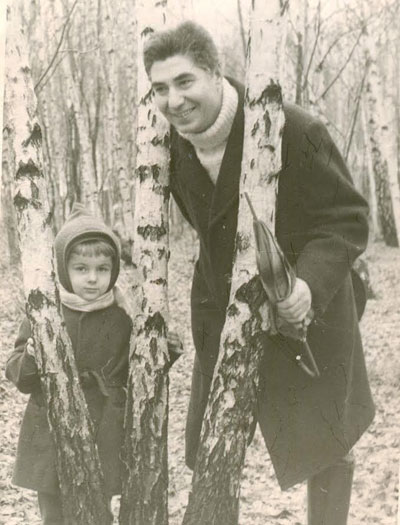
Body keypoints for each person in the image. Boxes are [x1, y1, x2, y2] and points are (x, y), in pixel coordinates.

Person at [143, 21, 375, 525]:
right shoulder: (165, 151)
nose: (173, 100)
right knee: (212, 445)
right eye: (159, 88)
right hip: (220, 308)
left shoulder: (292, 128)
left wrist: (307, 286)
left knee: (327, 444)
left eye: (185, 82)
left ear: (215, 72)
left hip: (306, 310)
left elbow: (348, 219)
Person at [6, 204, 182, 524]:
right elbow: (18, 373)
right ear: (63, 269)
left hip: (105, 427)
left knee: (97, 509)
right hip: (51, 431)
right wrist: (32, 355)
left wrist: (162, 347)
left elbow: (141, 365)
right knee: (55, 512)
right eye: (81, 268)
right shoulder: (45, 310)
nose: (92, 279)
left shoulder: (122, 313)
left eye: (102, 269)